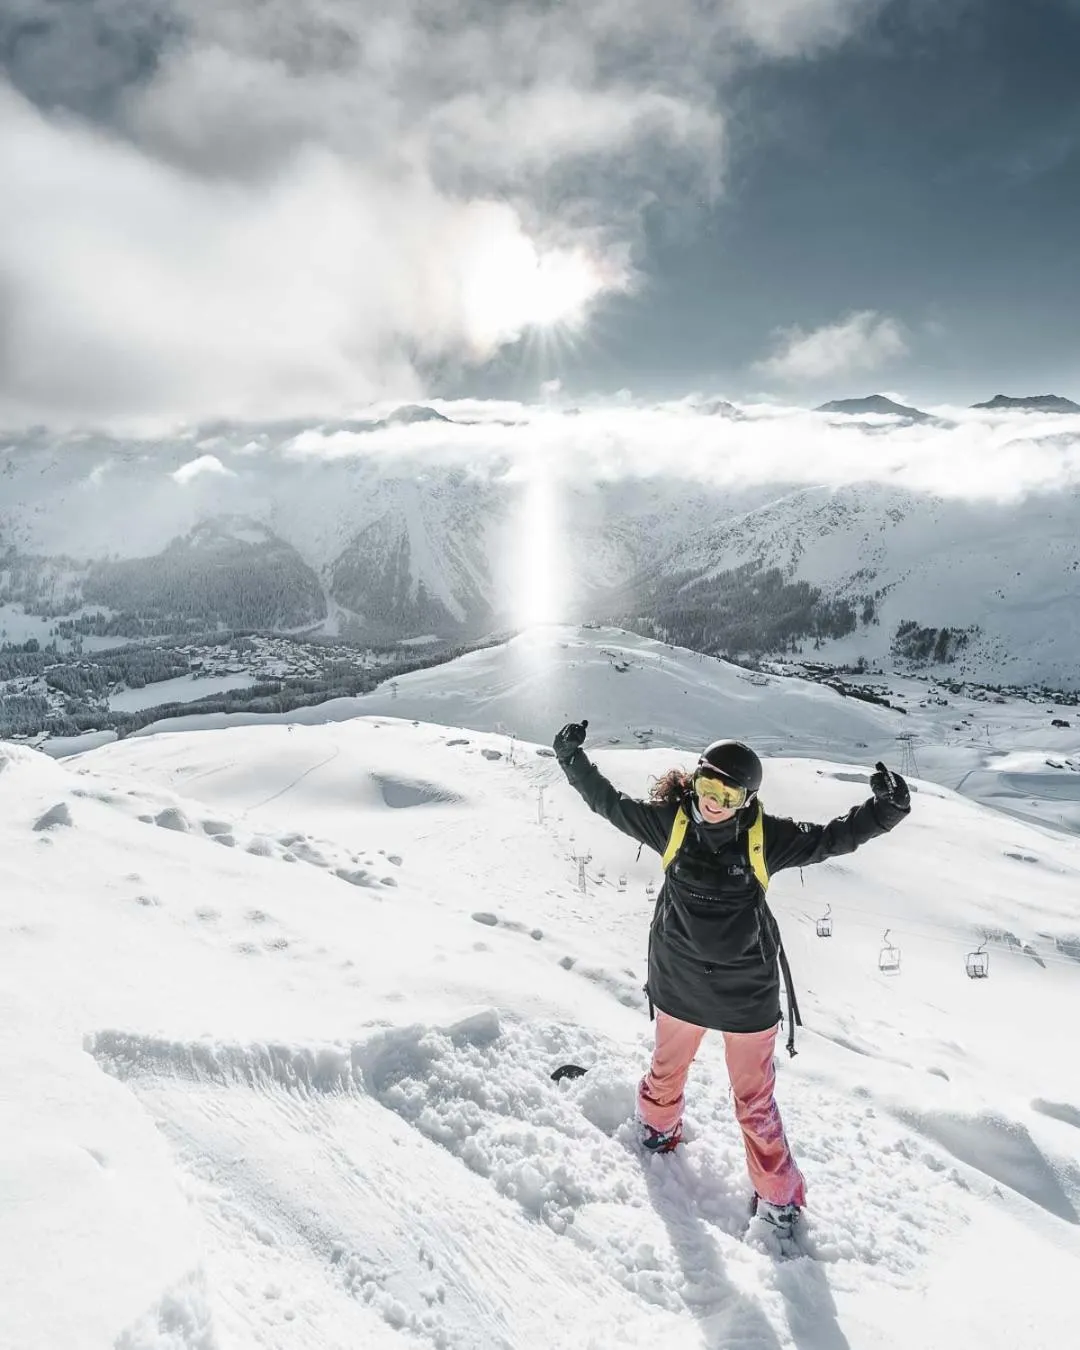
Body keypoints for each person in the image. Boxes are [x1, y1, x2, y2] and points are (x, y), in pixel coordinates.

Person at [552, 718, 911, 1235]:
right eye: (706, 787)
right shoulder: (670, 824)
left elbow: (835, 837)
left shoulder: (769, 838)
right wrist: (571, 759)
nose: (713, 801)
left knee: (754, 1100)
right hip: (682, 983)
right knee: (667, 1070)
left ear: (746, 799)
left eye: (728, 793)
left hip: (744, 994)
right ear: (694, 781)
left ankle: (778, 1202)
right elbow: (609, 803)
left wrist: (886, 810)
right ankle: (657, 1131)